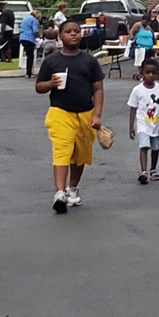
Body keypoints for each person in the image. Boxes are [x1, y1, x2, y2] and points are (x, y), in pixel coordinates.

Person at [35, 20, 104, 214]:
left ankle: (72, 188)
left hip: (85, 114)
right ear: (60, 36)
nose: (73, 34)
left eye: (76, 31)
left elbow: (98, 88)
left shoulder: (89, 61)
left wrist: (97, 115)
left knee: (80, 154)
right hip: (60, 113)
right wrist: (50, 83)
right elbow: (39, 86)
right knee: (62, 150)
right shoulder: (52, 61)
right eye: (68, 31)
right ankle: (59, 193)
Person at [128, 58, 159, 184]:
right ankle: (144, 171)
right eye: (147, 72)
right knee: (144, 146)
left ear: (158, 73)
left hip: (156, 124)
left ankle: (153, 169)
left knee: (155, 147)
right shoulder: (137, 90)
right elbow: (133, 108)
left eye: (154, 73)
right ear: (141, 72)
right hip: (143, 124)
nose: (151, 75)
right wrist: (131, 126)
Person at [19, 10, 42, 78]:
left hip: (22, 37)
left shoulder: (25, 18)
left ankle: (28, 72)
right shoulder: (33, 20)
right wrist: (40, 37)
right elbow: (35, 30)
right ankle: (29, 73)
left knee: (28, 55)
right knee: (30, 56)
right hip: (29, 38)